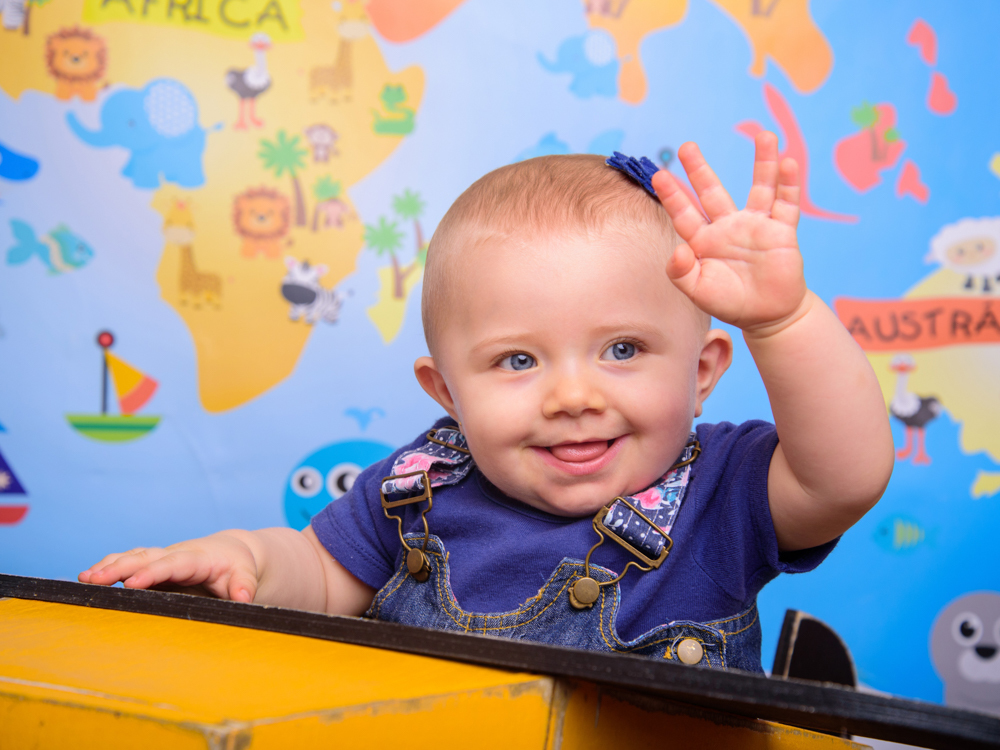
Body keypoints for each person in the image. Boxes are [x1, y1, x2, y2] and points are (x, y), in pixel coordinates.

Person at [80, 133, 894, 672]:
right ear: (446, 393)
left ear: (704, 369)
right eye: (516, 360)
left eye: (622, 350)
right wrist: (248, 559)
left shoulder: (722, 493)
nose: (574, 396)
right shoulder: (418, 487)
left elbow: (845, 476)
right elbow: (321, 578)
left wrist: (784, 321)